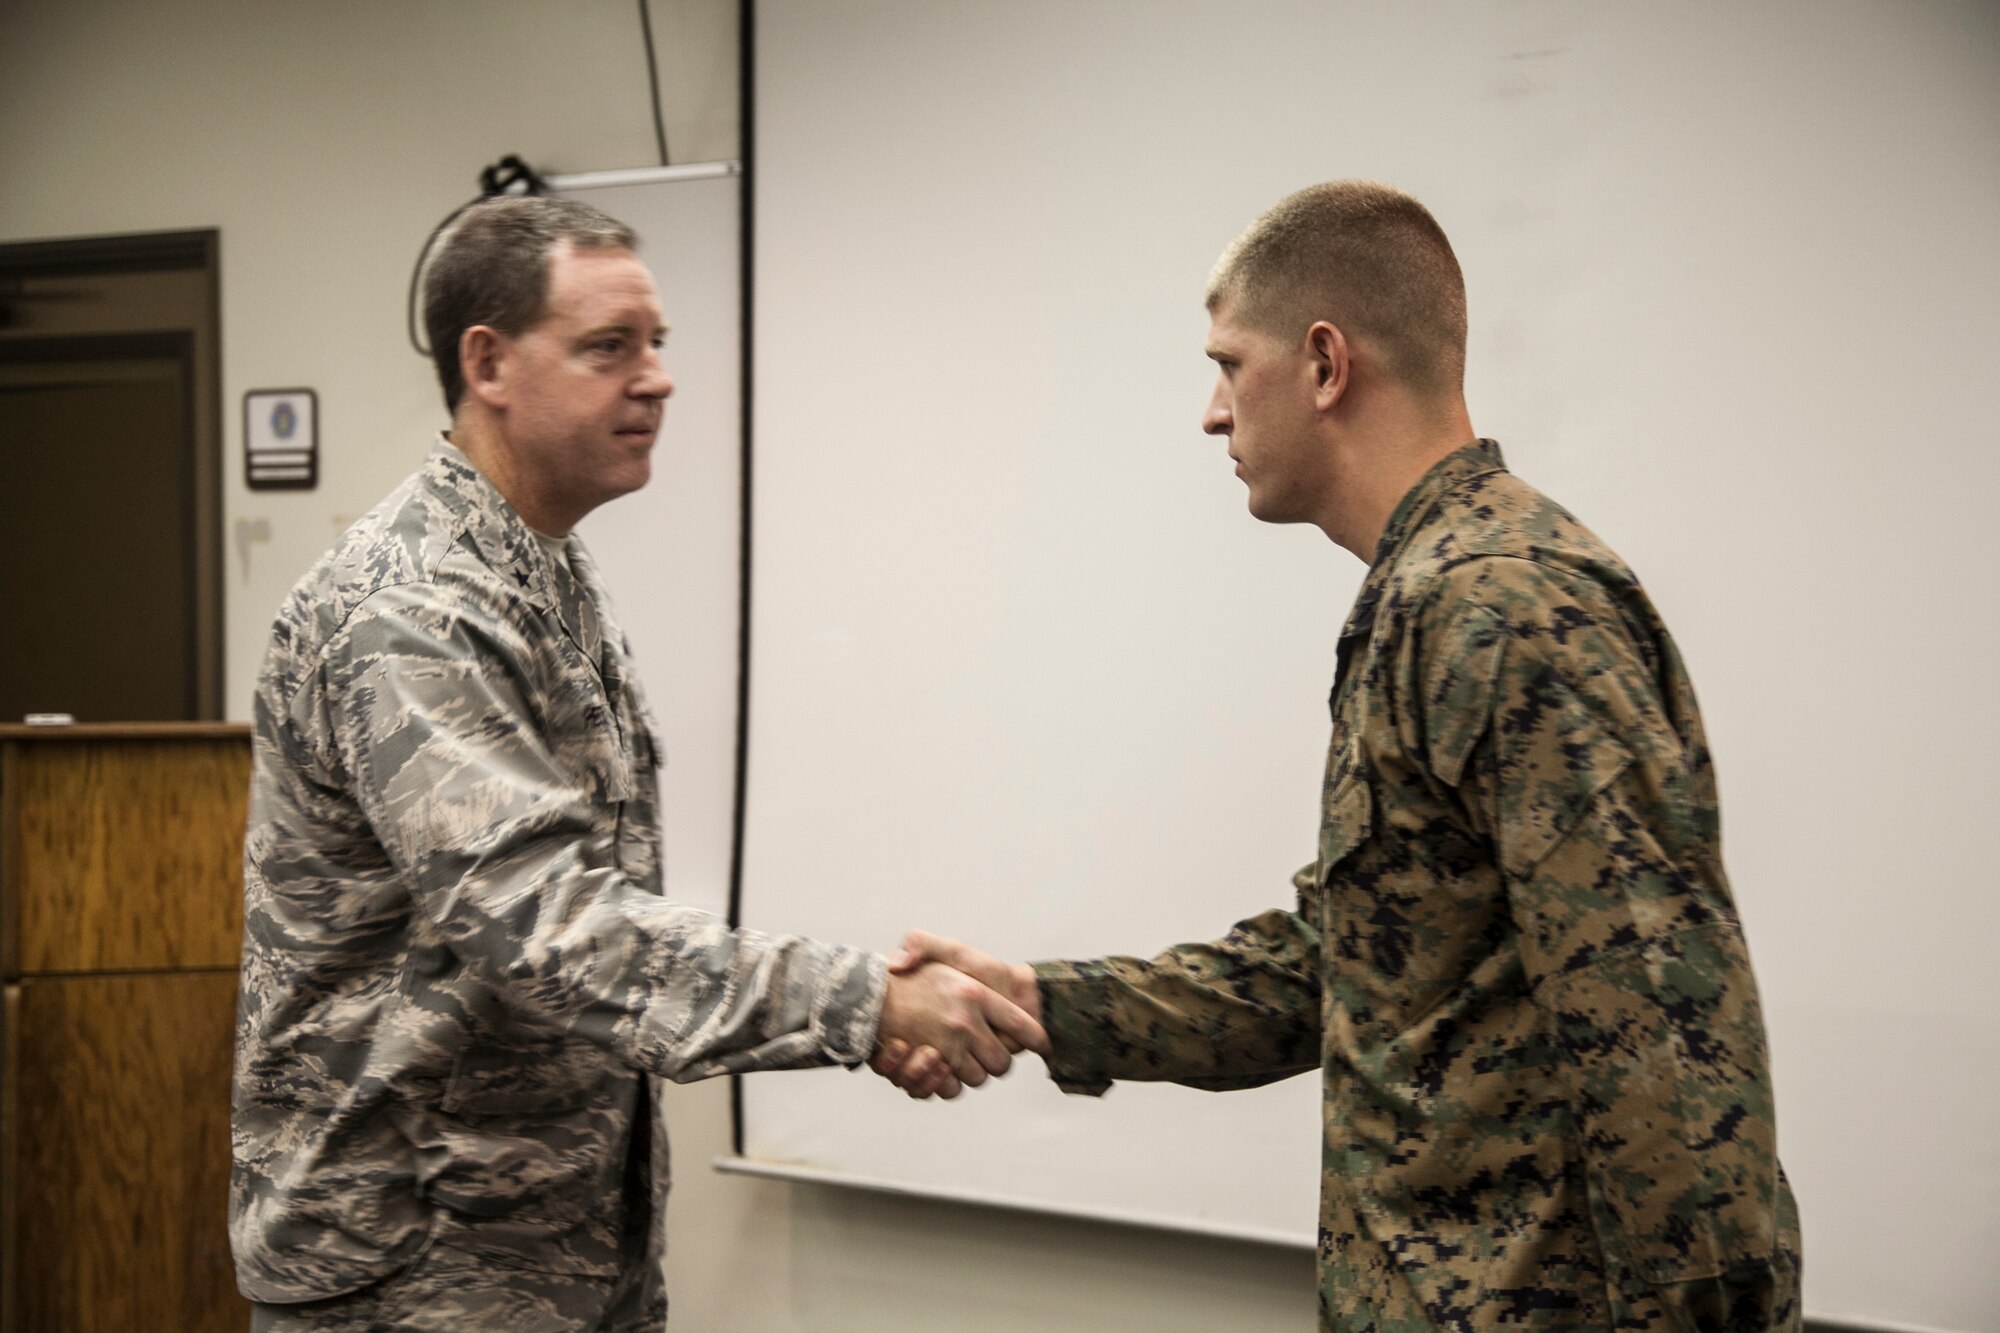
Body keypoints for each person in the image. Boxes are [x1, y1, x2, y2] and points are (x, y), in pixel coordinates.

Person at [880, 181, 1802, 1330]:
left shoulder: (1500, 604)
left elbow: (1662, 1041)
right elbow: (1336, 964)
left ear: (1324, 364)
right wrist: (1041, 1003)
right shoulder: (1426, 598)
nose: (1212, 413)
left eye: (1228, 364)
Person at [231, 195, 1045, 1332]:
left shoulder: (542, 570)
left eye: (657, 343)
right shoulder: (410, 606)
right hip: (414, 1262)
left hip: (556, 1241)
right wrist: (865, 1002)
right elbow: (548, 925)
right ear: (489, 362)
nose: (655, 377)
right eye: (608, 347)